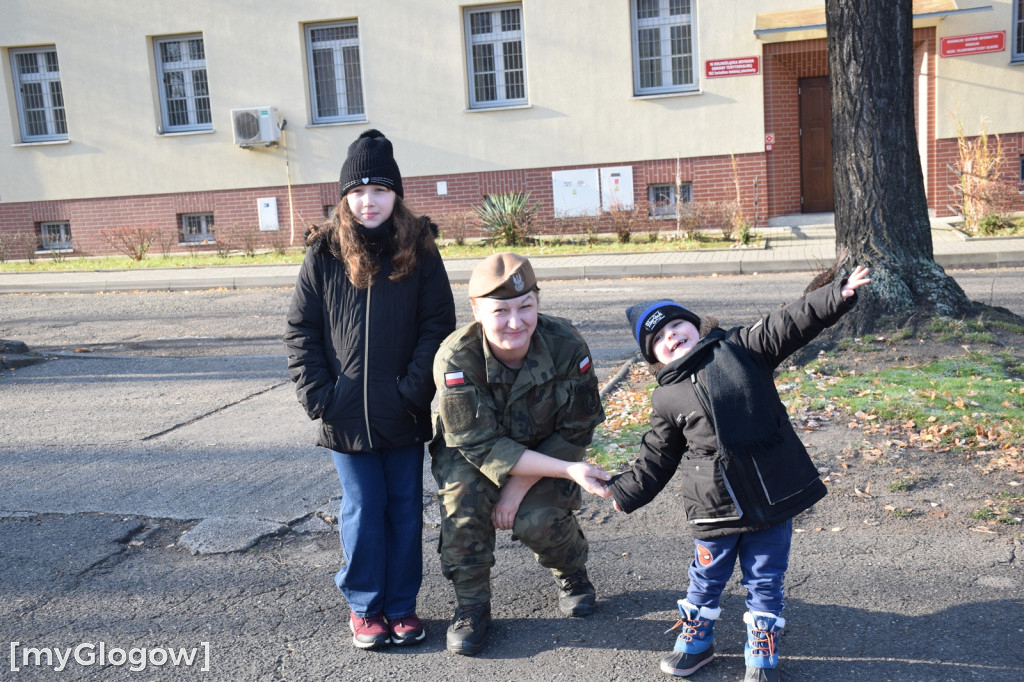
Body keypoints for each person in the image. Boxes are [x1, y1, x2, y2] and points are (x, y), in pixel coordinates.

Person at [601, 266, 871, 681]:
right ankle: (698, 637)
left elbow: (789, 323)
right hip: (714, 507)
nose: (671, 336)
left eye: (675, 325)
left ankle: (760, 647)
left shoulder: (740, 346)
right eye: (658, 339)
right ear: (653, 357)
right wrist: (626, 492)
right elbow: (657, 455)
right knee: (706, 576)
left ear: (695, 326)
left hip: (771, 494)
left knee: (765, 576)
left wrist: (837, 295)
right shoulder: (666, 396)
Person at [283, 129, 456, 650]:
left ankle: (401, 606)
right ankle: (365, 607)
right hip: (345, 415)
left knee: (403, 507)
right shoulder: (325, 254)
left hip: (403, 413)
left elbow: (438, 326)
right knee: (362, 507)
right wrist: (320, 395)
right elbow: (301, 330)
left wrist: (413, 391)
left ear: (395, 195)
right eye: (358, 191)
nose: (368, 201)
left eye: (379, 190)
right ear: (344, 197)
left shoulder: (420, 250)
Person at [430, 252, 610, 656]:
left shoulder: (566, 345)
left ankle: (571, 573)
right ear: (476, 311)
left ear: (538, 303)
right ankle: (472, 604)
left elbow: (576, 428)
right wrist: (512, 481)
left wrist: (516, 489)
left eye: (526, 307)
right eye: (501, 311)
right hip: (471, 451)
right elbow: (476, 443)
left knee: (538, 520)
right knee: (463, 502)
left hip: (548, 448)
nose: (516, 322)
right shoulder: (456, 358)